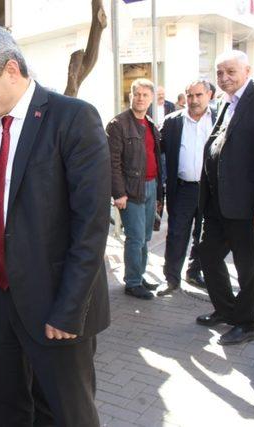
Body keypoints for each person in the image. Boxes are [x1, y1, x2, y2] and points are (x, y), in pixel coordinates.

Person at [0, 27, 110, 426]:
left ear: (10, 69)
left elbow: (90, 227)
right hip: (0, 302)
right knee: (6, 410)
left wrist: (69, 311)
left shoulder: (73, 118)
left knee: (65, 413)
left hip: (57, 305)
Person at [197, 50, 254, 345]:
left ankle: (248, 323)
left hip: (245, 204)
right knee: (207, 255)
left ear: (247, 71)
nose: (224, 78)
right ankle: (227, 311)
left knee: (246, 265)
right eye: (220, 73)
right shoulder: (226, 102)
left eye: (231, 72)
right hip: (218, 203)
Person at [158, 80, 215, 296]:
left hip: (210, 190)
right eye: (190, 95)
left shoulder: (219, 118)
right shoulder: (172, 122)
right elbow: (157, 150)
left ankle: (194, 272)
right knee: (176, 234)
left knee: (204, 235)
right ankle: (171, 279)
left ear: (209, 95)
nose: (194, 100)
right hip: (183, 189)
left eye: (199, 95)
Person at [107, 78, 163, 300]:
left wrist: (160, 192)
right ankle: (132, 283)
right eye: (136, 94)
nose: (140, 98)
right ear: (130, 96)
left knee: (145, 237)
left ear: (151, 99)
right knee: (136, 237)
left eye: (145, 95)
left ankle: (139, 275)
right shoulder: (118, 124)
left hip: (151, 185)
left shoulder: (149, 123)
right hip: (131, 191)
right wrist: (118, 193)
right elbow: (112, 162)